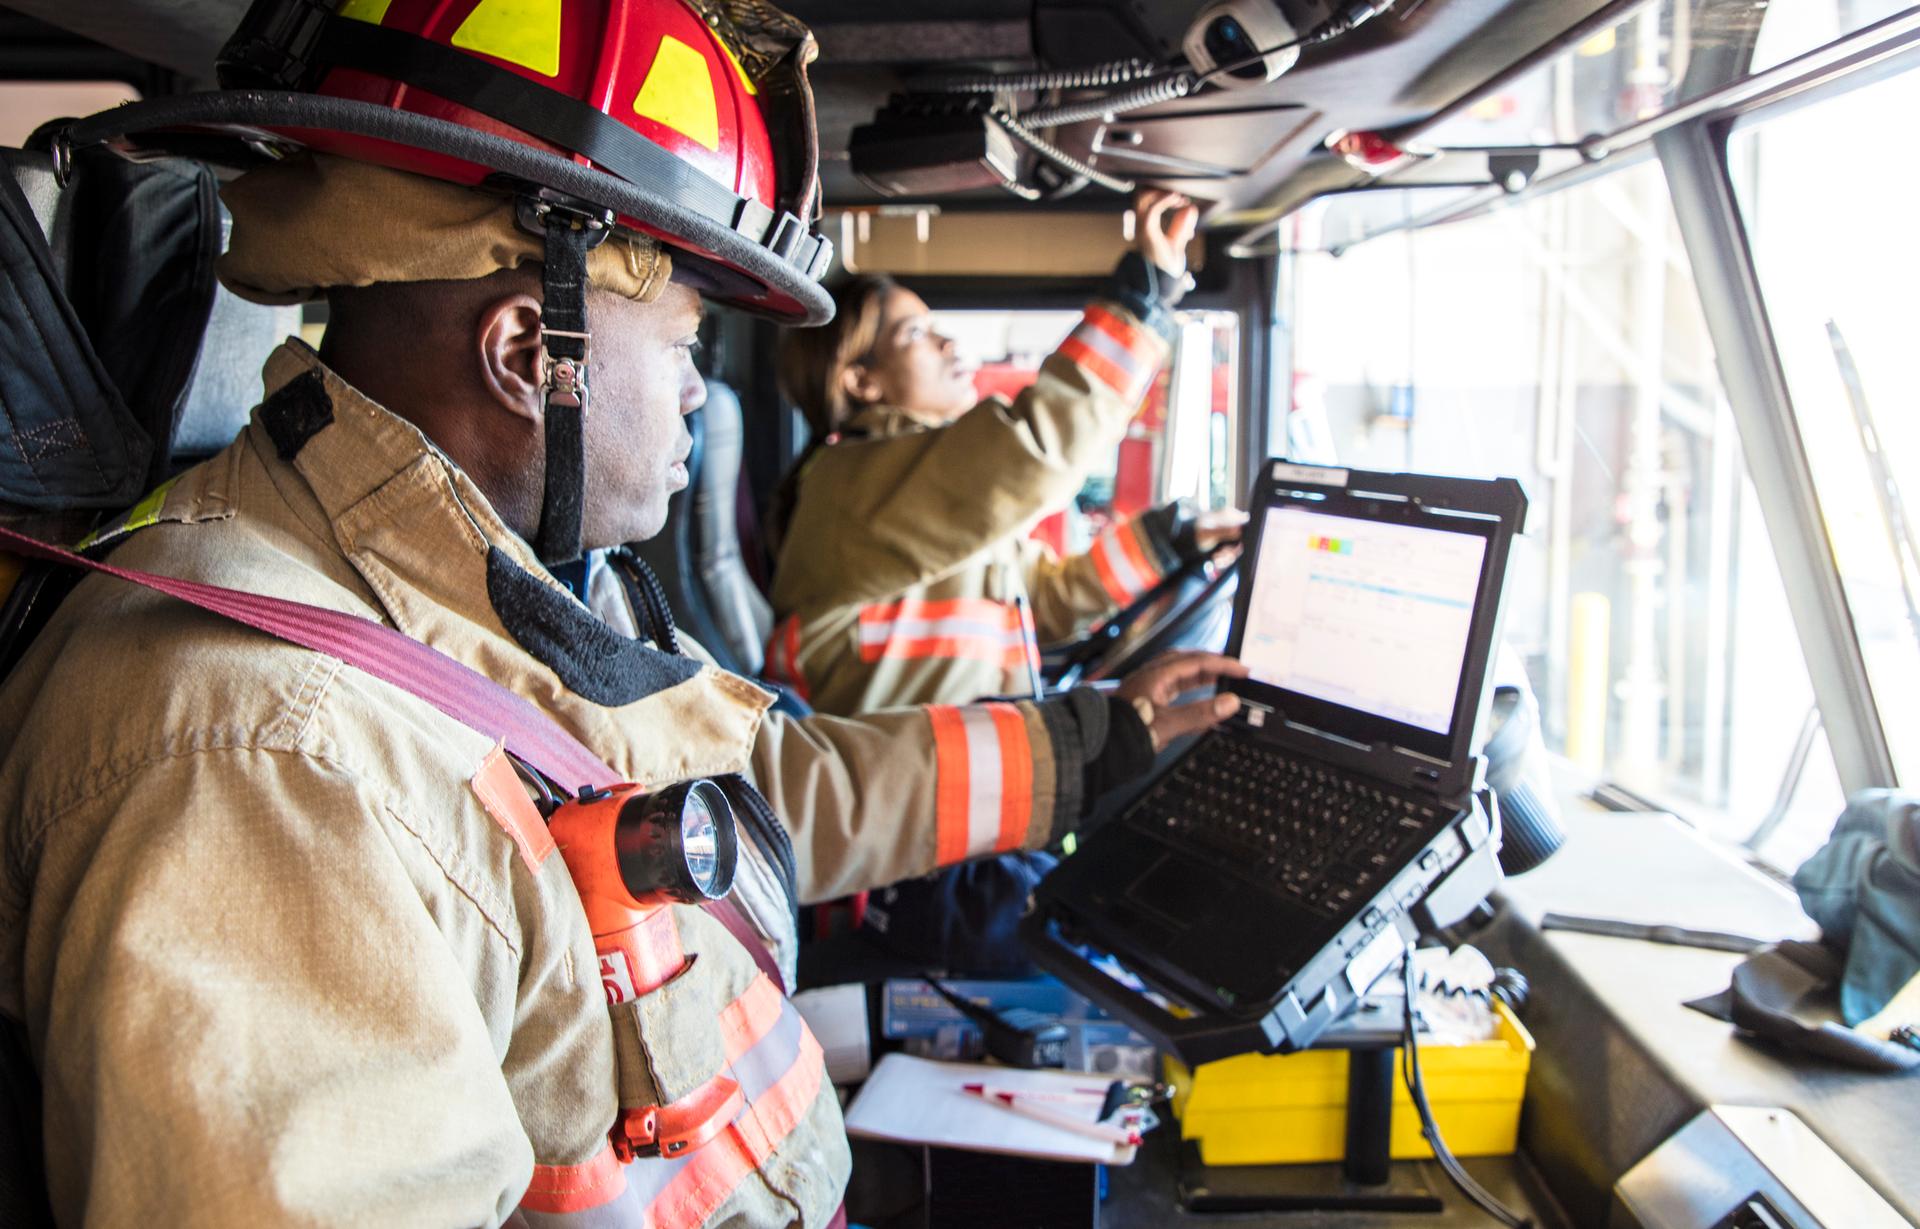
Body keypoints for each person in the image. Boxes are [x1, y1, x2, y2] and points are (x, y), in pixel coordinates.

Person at [0, 1, 1244, 1226]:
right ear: (529, 350)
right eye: (684, 346)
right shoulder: (267, 759)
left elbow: (751, 790)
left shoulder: (489, 583)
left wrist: (1095, 745)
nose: (705, 397)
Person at [763, 194, 1246, 717]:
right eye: (917, 334)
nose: (948, 342)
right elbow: (1034, 449)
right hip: (910, 788)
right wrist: (1141, 301)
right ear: (862, 381)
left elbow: (1048, 600)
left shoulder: (913, 487)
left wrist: (1169, 540)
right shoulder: (844, 485)